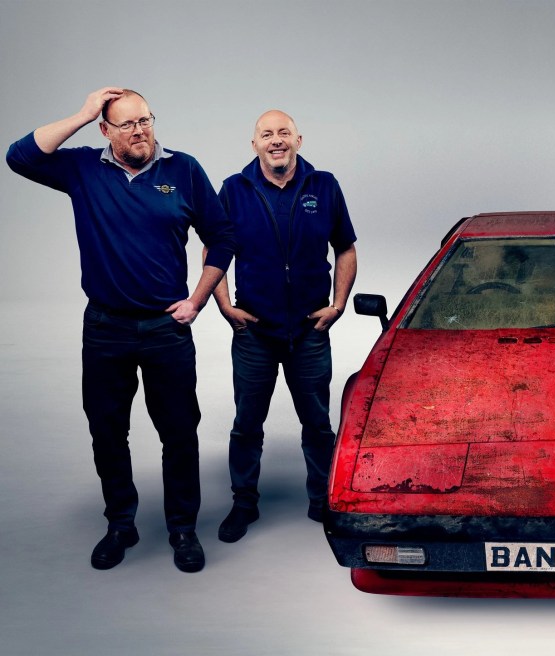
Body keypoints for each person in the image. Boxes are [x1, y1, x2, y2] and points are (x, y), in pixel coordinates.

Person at [6, 87, 235, 573]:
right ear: (106, 130)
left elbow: (221, 236)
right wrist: (83, 112)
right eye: (127, 124)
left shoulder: (184, 169)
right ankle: (120, 525)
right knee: (107, 431)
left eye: (146, 120)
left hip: (165, 330)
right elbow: (19, 156)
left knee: (178, 432)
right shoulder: (84, 168)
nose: (140, 131)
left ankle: (182, 529)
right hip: (106, 328)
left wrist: (197, 300)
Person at [209, 110, 357, 543]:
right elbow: (214, 252)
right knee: (247, 423)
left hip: (310, 331)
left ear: (299, 140)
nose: (276, 140)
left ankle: (323, 501)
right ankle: (243, 503)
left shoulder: (324, 186)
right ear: (253, 144)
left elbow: (345, 249)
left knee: (317, 423)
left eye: (284, 133)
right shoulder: (234, 191)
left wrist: (339, 304)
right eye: (267, 134)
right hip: (254, 331)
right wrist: (223, 306)